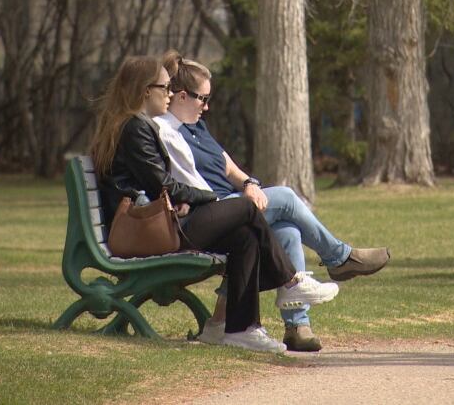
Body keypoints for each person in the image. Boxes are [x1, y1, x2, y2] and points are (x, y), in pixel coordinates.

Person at [89, 55, 339, 353]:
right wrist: (209, 198)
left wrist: (184, 200)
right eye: (165, 88)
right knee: (247, 207)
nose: (169, 94)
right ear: (145, 91)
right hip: (152, 234)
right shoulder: (134, 128)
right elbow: (164, 186)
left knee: (245, 237)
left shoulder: (134, 126)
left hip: (158, 225)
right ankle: (289, 282)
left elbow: (156, 186)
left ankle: (240, 329)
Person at [154, 51, 390, 352]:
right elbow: (178, 184)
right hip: (214, 214)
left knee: (289, 231)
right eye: (202, 99)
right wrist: (239, 198)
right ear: (182, 96)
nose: (207, 106)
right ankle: (339, 258)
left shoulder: (196, 126)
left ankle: (295, 326)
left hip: (232, 203)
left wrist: (251, 184)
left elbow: (228, 167)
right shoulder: (168, 131)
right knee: (288, 198)